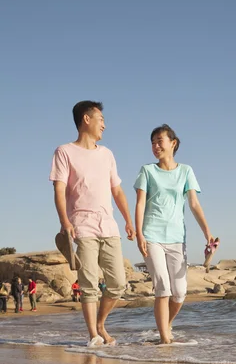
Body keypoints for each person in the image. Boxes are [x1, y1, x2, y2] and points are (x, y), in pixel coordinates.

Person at [50, 101, 135, 347]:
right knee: (88, 285)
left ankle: (100, 323)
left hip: (109, 226)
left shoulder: (107, 154)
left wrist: (128, 220)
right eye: (101, 120)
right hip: (82, 225)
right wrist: (64, 222)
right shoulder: (64, 152)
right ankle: (94, 335)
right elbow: (59, 189)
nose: (104, 125)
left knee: (118, 283)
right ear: (86, 120)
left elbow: (117, 191)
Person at [134, 124, 215, 344]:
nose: (155, 146)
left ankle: (165, 326)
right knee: (162, 287)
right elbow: (140, 204)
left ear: (173, 143)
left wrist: (207, 232)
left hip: (177, 238)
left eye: (160, 141)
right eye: (152, 142)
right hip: (152, 235)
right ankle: (165, 340)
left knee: (179, 293)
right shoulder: (147, 171)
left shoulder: (186, 171)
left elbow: (194, 204)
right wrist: (140, 234)